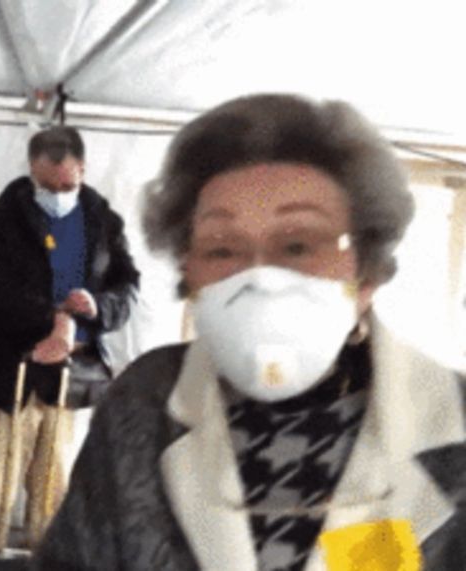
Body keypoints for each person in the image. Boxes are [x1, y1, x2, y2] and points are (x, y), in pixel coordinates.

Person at [35, 94, 466, 570]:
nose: (260, 277)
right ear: (189, 271)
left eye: (298, 244)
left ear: (367, 273)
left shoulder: (455, 424)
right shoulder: (143, 402)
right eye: (222, 249)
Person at [0, 126, 139, 559]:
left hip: (69, 375)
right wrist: (54, 321)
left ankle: (51, 562)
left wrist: (96, 306)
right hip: (10, 367)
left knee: (53, 491)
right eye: (47, 185)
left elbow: (128, 287)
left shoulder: (103, 221)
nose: (58, 193)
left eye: (67, 185)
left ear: (83, 169)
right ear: (31, 169)